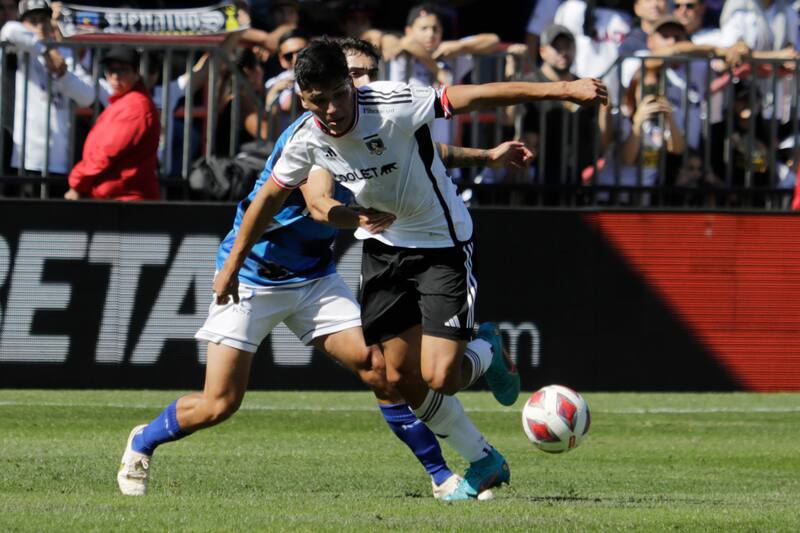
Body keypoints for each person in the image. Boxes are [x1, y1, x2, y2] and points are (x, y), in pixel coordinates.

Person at [116, 37, 533, 501]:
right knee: (220, 403)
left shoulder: (369, 118)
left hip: (313, 276)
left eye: (366, 75)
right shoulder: (313, 136)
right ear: (315, 91)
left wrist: (486, 156)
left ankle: (442, 475)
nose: (361, 84)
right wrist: (351, 220)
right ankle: (143, 440)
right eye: (353, 75)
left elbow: (421, 149)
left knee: (379, 368)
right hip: (256, 274)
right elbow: (317, 203)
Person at [211, 38, 606, 500]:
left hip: (441, 244)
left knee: (440, 377)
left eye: (340, 94)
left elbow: (474, 96)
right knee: (399, 377)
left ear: (350, 85)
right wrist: (232, 264)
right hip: (383, 248)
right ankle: (484, 461)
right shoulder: (306, 138)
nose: (333, 109)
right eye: (320, 100)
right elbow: (269, 200)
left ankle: (488, 349)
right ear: (303, 98)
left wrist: (564, 89)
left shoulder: (392, 103)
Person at [0, 0, 94, 194]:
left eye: (43, 19)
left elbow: (88, 97)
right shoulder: (20, 50)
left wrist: (63, 74)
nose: (39, 26)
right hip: (26, 159)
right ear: (23, 23)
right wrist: (45, 51)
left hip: (61, 160)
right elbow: (9, 30)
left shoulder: (65, 53)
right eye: (32, 21)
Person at [387, 3, 499, 145]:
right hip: (409, 145)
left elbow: (493, 40)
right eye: (424, 28)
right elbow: (407, 42)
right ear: (409, 31)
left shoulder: (449, 54)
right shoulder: (403, 55)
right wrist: (437, 70)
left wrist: (460, 46)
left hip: (444, 148)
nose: (431, 34)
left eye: (435, 28)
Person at [65, 47, 159, 201]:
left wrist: (77, 183)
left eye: (123, 70)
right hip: (116, 199)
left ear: (136, 73)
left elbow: (105, 153)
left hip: (123, 202)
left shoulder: (134, 106)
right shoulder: (126, 103)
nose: (115, 76)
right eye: (110, 70)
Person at [264, 28, 308, 135]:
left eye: (301, 53)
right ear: (281, 59)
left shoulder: (324, 76)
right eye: (288, 56)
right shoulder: (272, 84)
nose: (295, 59)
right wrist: (274, 92)